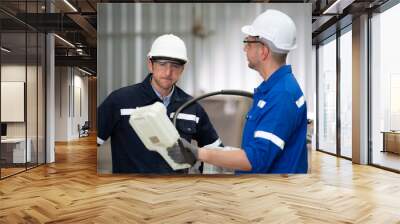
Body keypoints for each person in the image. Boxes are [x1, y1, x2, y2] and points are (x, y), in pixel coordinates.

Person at [168, 9, 308, 174]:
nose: (244, 49)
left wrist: (198, 153)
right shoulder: (274, 90)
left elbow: (256, 159)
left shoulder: (281, 95)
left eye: (248, 43)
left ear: (263, 51)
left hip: (272, 194)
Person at [97, 34, 222, 173]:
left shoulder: (192, 108)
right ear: (150, 64)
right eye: (162, 64)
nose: (168, 72)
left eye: (175, 66)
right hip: (131, 191)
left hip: (175, 192)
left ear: (183, 69)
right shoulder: (120, 101)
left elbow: (216, 152)